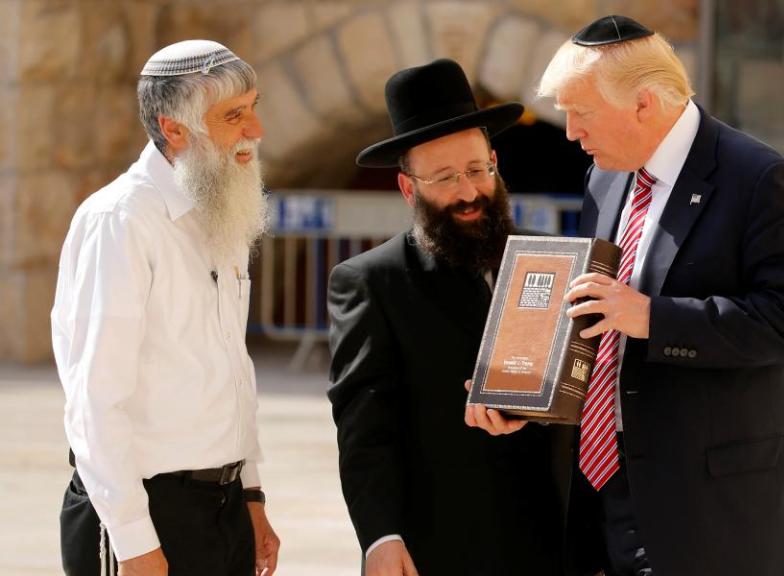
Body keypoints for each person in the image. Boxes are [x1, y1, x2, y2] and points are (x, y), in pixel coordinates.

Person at [469, 15, 784, 576]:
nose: (570, 131)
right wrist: (526, 389)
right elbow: (600, 314)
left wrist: (655, 317)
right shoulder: (604, 176)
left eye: (582, 112)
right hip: (614, 489)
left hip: (722, 509)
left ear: (644, 104)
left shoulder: (761, 179)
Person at [52, 40, 279, 576]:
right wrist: (133, 542)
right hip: (147, 514)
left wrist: (250, 495)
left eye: (253, 107)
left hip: (220, 510)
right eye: (234, 115)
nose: (256, 130)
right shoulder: (121, 221)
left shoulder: (216, 209)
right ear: (174, 128)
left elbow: (230, 371)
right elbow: (96, 399)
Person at [327, 58, 561, 576]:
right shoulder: (371, 281)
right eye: (445, 177)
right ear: (409, 189)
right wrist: (380, 537)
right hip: (445, 542)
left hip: (559, 540)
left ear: (496, 162)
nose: (468, 191)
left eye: (478, 170)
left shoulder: (552, 261)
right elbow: (365, 428)